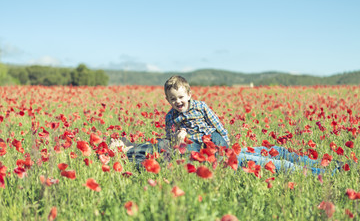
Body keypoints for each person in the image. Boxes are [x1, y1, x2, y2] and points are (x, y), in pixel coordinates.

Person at [112, 75, 339, 175]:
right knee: (267, 158)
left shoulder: (200, 107)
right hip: (202, 152)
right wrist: (178, 139)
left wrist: (226, 144)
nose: (178, 102)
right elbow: (173, 147)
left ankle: (322, 166)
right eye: (173, 99)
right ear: (167, 100)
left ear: (189, 94)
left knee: (272, 153)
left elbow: (218, 125)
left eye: (181, 97)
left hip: (217, 145)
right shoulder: (169, 119)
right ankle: (321, 172)